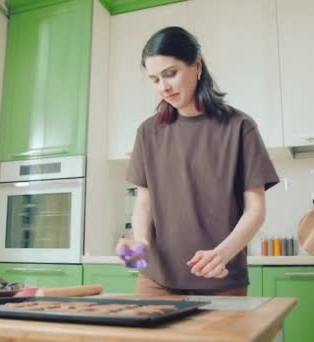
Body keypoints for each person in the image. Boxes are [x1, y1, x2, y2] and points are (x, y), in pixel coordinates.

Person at [116, 26, 279, 296]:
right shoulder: (148, 131)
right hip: (156, 279)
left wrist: (222, 253)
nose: (163, 87)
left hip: (221, 279)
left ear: (197, 66)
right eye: (155, 79)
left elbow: (256, 210)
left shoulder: (240, 127)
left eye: (170, 74)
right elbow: (144, 203)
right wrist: (140, 243)